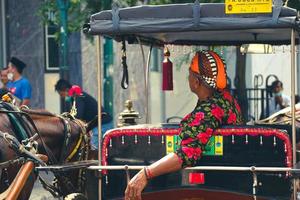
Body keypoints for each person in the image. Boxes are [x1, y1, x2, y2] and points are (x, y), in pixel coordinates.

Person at [124, 51, 243, 200]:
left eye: (190, 75)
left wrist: (145, 174)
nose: (188, 79)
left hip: (215, 182)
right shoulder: (226, 99)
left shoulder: (209, 110)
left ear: (197, 82)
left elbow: (187, 154)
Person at [54, 79, 113, 148]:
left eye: (61, 94)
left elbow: (78, 116)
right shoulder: (75, 97)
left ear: (67, 90)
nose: (62, 97)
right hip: (98, 124)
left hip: (102, 124)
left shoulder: (78, 97)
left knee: (93, 148)